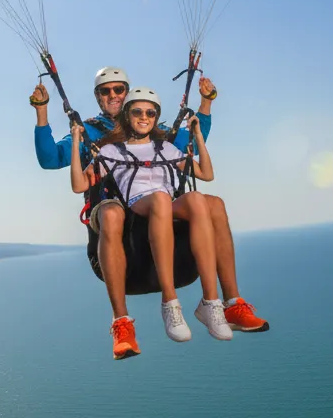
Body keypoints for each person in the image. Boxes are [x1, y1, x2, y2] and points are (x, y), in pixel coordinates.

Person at [31, 67, 268, 359]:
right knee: (116, 214)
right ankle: (122, 324)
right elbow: (50, 158)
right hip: (113, 202)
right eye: (106, 91)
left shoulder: (154, 133)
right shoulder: (91, 131)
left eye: (119, 90)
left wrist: (205, 105)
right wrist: (43, 113)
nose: (113, 96)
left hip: (159, 203)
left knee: (213, 203)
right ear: (97, 96)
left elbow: (187, 144)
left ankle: (229, 302)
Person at [73, 87, 234, 344]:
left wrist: (198, 136)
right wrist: (75, 142)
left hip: (165, 207)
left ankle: (212, 302)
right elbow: (80, 185)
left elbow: (206, 174)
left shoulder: (166, 149)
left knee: (198, 199)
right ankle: (170, 304)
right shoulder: (112, 152)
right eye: (137, 111)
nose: (144, 116)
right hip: (138, 205)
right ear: (127, 116)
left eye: (150, 112)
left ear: (156, 117)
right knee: (160, 197)